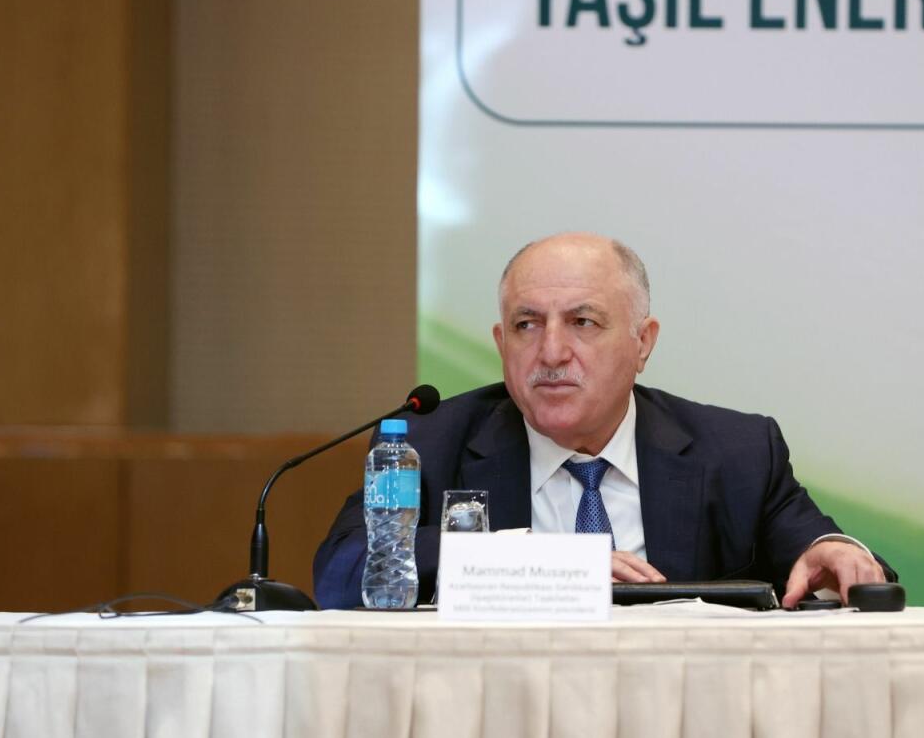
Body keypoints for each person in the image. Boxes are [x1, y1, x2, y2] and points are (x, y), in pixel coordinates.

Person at [314, 232, 894, 609]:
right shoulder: (430, 441)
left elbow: (823, 555)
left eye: (583, 322)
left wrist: (835, 550)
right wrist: (547, 562)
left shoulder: (736, 451)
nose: (551, 352)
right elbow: (342, 572)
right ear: (501, 342)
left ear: (643, 343)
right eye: (526, 325)